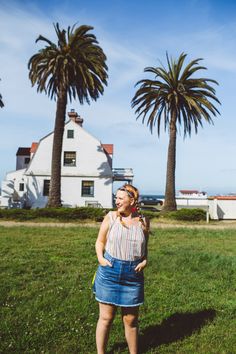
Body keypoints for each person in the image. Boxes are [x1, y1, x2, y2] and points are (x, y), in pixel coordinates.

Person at [93, 184, 149, 354]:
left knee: (131, 320)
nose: (116, 201)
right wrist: (101, 259)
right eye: (115, 197)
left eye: (120, 198)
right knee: (106, 318)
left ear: (132, 200)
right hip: (109, 272)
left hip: (133, 276)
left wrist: (145, 260)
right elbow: (100, 242)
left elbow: (145, 248)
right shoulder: (111, 217)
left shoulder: (143, 221)